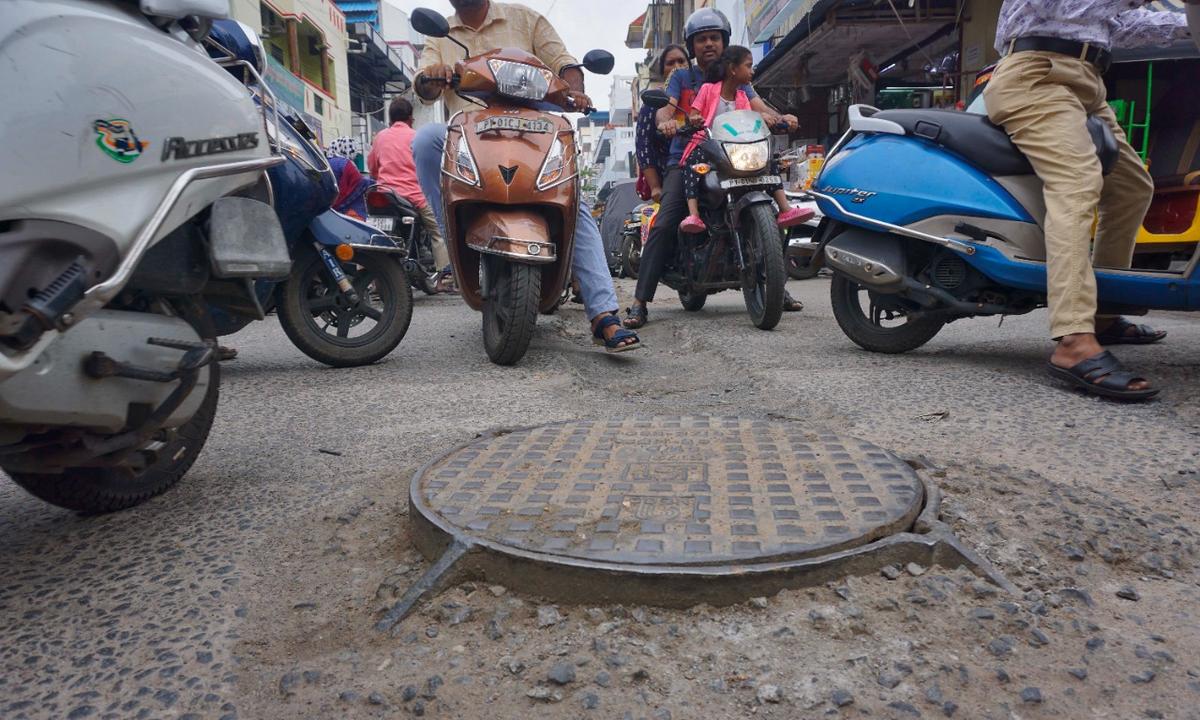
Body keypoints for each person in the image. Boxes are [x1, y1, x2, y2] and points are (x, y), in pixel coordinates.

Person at [985, 0, 1196, 400]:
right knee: (1077, 181)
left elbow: (1123, 24)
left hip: (1087, 83)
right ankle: (1073, 339)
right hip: (1037, 76)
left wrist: (1187, 21)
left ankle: (1103, 315)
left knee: (1134, 187)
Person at [411, 0, 640, 352]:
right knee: (426, 140)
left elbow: (564, 64)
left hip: (531, 134)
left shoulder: (525, 20)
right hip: (474, 138)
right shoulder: (442, 32)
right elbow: (424, 84)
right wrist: (433, 75)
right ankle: (452, 233)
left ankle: (603, 313)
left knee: (573, 202)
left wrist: (574, 87)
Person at [624, 7, 800, 329]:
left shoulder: (738, 78)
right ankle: (639, 302)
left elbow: (759, 107)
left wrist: (779, 118)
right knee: (664, 224)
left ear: (725, 42)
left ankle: (776, 284)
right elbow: (666, 110)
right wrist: (666, 123)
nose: (709, 44)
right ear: (692, 46)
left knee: (775, 206)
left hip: (733, 156)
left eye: (715, 38)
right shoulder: (681, 77)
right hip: (688, 157)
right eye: (702, 39)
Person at [678, 46, 811, 235]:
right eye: (748, 66)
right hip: (710, 145)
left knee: (770, 160)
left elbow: (749, 119)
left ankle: (785, 209)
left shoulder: (742, 96)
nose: (752, 70)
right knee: (693, 163)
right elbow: (693, 113)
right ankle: (694, 214)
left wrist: (765, 118)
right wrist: (694, 119)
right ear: (733, 69)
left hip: (737, 149)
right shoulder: (707, 89)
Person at [367, 97, 453, 291]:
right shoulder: (417, 137)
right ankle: (446, 277)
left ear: (390, 118)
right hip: (416, 195)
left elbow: (372, 168)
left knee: (371, 231)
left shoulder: (379, 137)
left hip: (386, 194)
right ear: (410, 118)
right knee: (439, 229)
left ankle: (369, 279)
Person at [636, 44, 690, 203]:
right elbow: (643, 147)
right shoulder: (654, 101)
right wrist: (655, 187)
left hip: (709, 167)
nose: (677, 67)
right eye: (670, 63)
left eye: (681, 61)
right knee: (665, 226)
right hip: (671, 175)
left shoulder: (702, 91)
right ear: (662, 71)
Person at [325, 137, 371, 220]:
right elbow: (359, 182)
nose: (354, 152)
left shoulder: (325, 163)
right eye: (352, 148)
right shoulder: (347, 164)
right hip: (349, 212)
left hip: (327, 211)